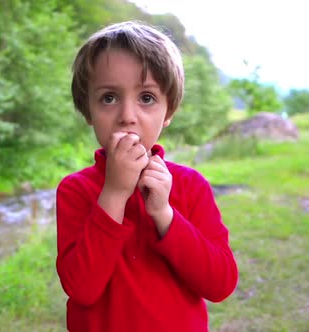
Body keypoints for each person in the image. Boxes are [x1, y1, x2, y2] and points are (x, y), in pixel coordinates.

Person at [55, 21, 238, 331]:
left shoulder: (191, 186)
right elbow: (81, 288)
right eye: (109, 98)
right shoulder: (76, 191)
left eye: (147, 98)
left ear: (168, 112)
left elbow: (220, 284)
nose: (128, 115)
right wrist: (113, 194)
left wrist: (165, 214)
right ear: (88, 111)